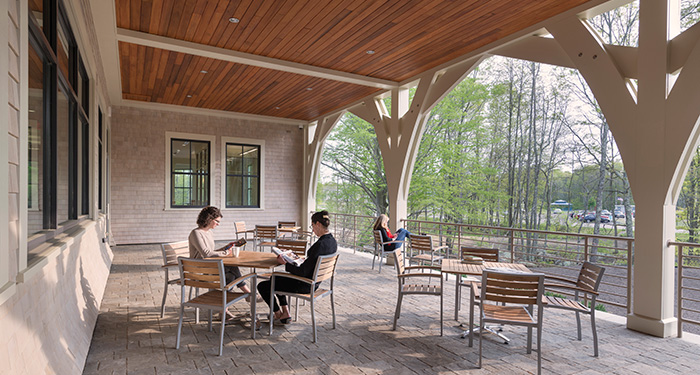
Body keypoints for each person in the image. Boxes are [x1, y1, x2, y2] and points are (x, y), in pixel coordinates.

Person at [257, 210, 337, 325]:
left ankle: (278, 314)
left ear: (318, 224)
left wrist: (285, 263)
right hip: (315, 282)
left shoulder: (320, 244)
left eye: (313, 226)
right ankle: (285, 313)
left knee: (264, 285)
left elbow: (302, 271)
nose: (313, 229)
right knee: (277, 279)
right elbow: (313, 262)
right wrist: (295, 258)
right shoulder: (332, 241)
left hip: (305, 284)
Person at [188, 206, 255, 316]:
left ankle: (224, 311)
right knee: (231, 266)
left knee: (231, 276)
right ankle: (247, 293)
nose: (218, 224)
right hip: (200, 269)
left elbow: (211, 252)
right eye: (217, 221)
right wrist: (225, 253)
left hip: (209, 265)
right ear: (209, 219)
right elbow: (207, 254)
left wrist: (226, 247)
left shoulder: (209, 232)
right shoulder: (196, 233)